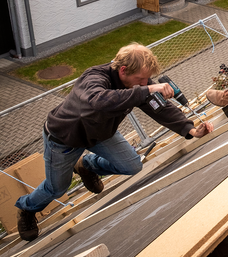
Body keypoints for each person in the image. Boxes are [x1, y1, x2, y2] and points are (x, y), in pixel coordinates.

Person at [15, 43, 214, 241]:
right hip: (65, 139)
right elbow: (99, 101)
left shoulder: (139, 84)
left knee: (132, 165)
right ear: (123, 70)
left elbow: (158, 107)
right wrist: (147, 89)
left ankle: (86, 165)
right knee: (57, 188)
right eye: (141, 79)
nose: (145, 83)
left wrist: (190, 130)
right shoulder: (93, 78)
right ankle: (26, 208)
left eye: (147, 79)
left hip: (101, 133)